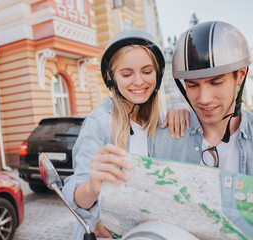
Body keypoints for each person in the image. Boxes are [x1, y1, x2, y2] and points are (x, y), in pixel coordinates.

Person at [62, 29, 189, 239]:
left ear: (157, 75)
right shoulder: (100, 122)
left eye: (147, 72)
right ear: (111, 77)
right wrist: (93, 186)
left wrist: (182, 114)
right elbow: (75, 198)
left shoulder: (160, 123)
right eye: (127, 74)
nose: (138, 81)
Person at [149, 20, 253, 175]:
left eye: (216, 83)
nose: (204, 99)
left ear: (240, 76)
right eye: (192, 85)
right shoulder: (161, 140)